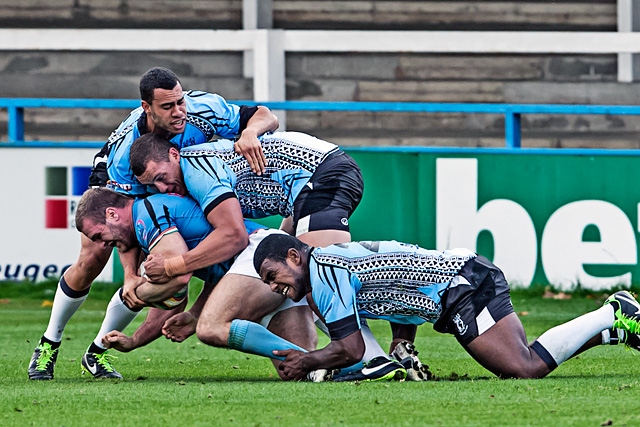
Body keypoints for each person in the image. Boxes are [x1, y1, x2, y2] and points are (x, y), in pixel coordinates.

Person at [28, 66, 279, 380]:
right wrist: (131, 274)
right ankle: (49, 343)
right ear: (146, 108)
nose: (178, 112)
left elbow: (266, 115)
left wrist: (250, 132)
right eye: (167, 106)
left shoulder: (201, 109)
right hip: (115, 186)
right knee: (92, 259)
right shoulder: (125, 159)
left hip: (175, 184)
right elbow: (124, 225)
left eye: (180, 101)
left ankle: (97, 353)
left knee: (171, 276)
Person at [129, 131, 424, 380]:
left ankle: (373, 361)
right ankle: (398, 346)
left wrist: (172, 266)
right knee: (319, 280)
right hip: (318, 180)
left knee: (320, 280)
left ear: (174, 155)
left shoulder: (196, 171)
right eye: (152, 186)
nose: (162, 188)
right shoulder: (203, 164)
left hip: (320, 177)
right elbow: (264, 116)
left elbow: (233, 236)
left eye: (161, 177)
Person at [252, 233, 640, 381]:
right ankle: (616, 329)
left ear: (293, 257)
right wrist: (402, 344)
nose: (275, 288)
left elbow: (350, 348)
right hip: (459, 279)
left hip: (462, 286)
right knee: (525, 360)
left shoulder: (324, 272)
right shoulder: (330, 263)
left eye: (273, 276)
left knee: (524, 368)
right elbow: (398, 278)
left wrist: (308, 362)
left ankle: (612, 310)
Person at [74, 187, 317, 380]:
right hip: (262, 261)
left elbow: (179, 277)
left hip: (262, 256)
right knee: (297, 373)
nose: (103, 244)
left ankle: (322, 360)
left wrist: (137, 292)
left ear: (112, 214)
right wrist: (135, 340)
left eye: (98, 235)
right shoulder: (151, 223)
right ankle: (331, 364)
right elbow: (181, 296)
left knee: (210, 328)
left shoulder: (145, 214)